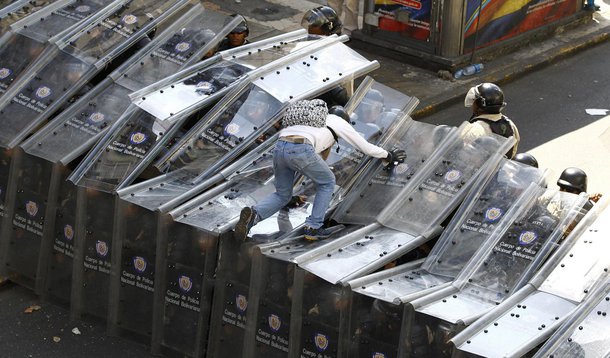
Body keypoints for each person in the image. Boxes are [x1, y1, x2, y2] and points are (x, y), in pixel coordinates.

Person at [235, 99, 406, 241]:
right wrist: (388, 155)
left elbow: (301, 159)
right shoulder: (338, 121)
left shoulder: (310, 120)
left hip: (280, 147)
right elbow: (365, 147)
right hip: (300, 148)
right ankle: (314, 227)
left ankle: (253, 216)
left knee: (282, 194)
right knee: (328, 181)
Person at [464, 82, 520, 159]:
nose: (472, 103)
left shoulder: (473, 129)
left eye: (474, 100)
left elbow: (463, 155)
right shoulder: (510, 124)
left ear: (480, 104)